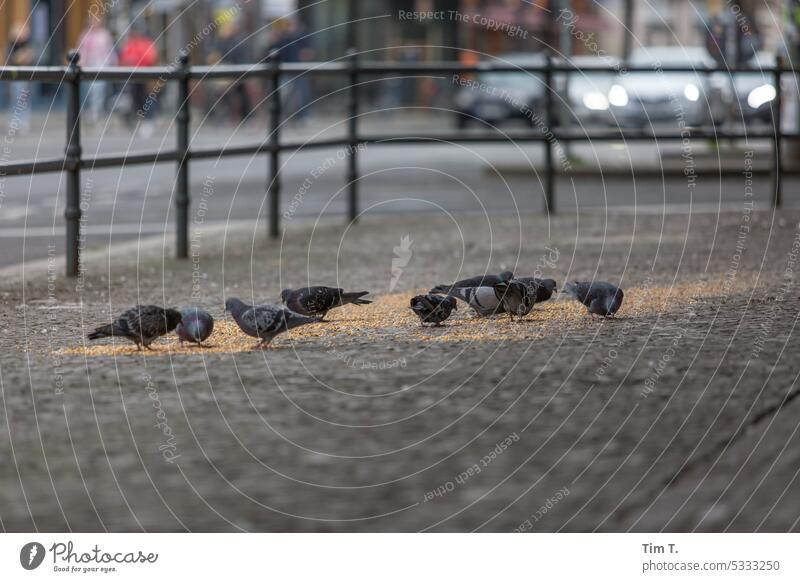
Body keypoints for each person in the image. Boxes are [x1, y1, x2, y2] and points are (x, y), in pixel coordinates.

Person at [267, 19, 314, 123]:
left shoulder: (301, 37)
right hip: (285, 70)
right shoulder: (283, 38)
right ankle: (282, 117)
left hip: (299, 69)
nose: (290, 28)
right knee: (283, 95)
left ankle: (303, 116)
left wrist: (306, 54)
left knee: (302, 93)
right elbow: (273, 52)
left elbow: (308, 52)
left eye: (291, 25)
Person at [77, 12, 116, 124]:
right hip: (88, 65)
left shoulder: (104, 35)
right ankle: (90, 110)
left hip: (101, 64)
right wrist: (80, 63)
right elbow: (81, 51)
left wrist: (112, 64)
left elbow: (110, 51)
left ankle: (96, 110)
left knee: (98, 89)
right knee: (88, 90)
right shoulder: (85, 35)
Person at [118, 26, 157, 135]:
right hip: (133, 77)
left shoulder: (146, 43)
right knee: (135, 98)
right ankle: (138, 120)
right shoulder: (129, 45)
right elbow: (123, 59)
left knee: (148, 98)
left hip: (146, 76)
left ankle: (148, 120)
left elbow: (151, 58)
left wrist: (136, 61)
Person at [7, 22, 34, 134]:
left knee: (23, 99)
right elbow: (14, 59)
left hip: (24, 76)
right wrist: (22, 57)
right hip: (14, 76)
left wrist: (22, 57)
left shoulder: (27, 44)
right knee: (15, 99)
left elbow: (30, 57)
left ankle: (23, 123)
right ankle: (15, 122)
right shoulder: (11, 46)